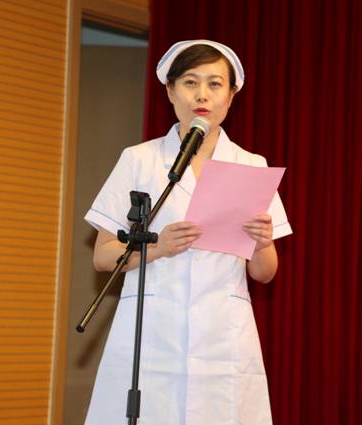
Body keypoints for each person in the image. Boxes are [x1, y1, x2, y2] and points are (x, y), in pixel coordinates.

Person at [83, 39, 292, 425]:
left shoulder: (250, 165)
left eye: (215, 84)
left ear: (231, 96)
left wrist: (262, 242)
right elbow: (102, 255)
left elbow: (264, 272)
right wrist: (159, 247)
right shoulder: (139, 159)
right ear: (170, 91)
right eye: (190, 82)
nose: (202, 95)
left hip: (223, 338)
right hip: (152, 334)